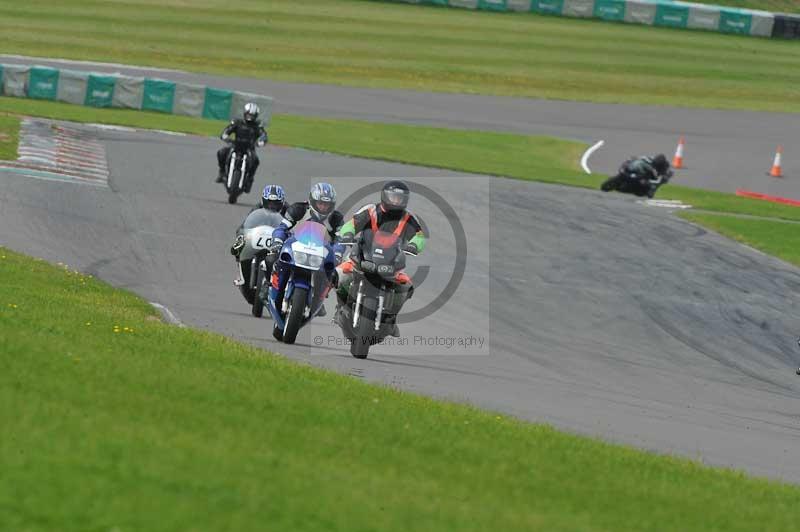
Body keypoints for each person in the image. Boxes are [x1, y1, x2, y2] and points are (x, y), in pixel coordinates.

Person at [334, 180, 426, 336]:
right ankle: (341, 307)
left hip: (391, 263)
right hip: (363, 256)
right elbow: (352, 224)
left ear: (405, 200)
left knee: (406, 286)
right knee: (339, 274)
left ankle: (390, 319)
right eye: (393, 197)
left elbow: (419, 236)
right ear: (384, 196)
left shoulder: (408, 218)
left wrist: (414, 245)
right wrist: (348, 233)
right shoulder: (371, 211)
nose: (396, 201)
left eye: (399, 198)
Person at [263, 182, 344, 317]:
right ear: (312, 201)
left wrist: (338, 253)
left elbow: (340, 240)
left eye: (327, 205)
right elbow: (282, 228)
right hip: (295, 249)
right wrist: (277, 241)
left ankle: (319, 299)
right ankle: (268, 286)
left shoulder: (337, 218)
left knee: (335, 275)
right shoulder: (298, 209)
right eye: (320, 203)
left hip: (320, 254)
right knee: (271, 259)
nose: (323, 207)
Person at [216, 103, 268, 193]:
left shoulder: (257, 126)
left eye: (252, 115)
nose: (250, 117)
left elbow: (263, 135)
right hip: (236, 145)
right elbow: (227, 130)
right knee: (221, 152)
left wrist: (261, 141)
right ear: (245, 113)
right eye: (248, 114)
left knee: (255, 161)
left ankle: (249, 179)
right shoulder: (237, 122)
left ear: (256, 116)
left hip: (249, 148)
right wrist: (225, 136)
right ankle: (222, 172)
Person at [230, 184, 288, 258]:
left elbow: (295, 228)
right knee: (241, 241)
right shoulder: (257, 208)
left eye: (276, 204)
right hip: (260, 235)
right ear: (263, 201)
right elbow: (245, 224)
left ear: (282, 202)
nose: (272, 206)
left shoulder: (288, 210)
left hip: (279, 238)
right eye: (269, 203)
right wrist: (242, 235)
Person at [606, 153, 673, 198]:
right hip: (642, 172)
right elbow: (636, 158)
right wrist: (629, 161)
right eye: (655, 163)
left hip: (653, 177)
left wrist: (649, 182)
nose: (655, 164)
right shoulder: (649, 159)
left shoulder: (665, 168)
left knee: (650, 188)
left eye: (657, 164)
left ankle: (651, 190)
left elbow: (661, 179)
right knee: (633, 168)